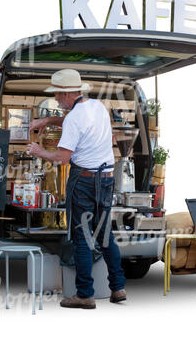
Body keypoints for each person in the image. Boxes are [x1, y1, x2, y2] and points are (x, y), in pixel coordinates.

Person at [28, 69, 126, 309]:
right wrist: (47, 120)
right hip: (106, 178)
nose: (57, 100)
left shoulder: (73, 118)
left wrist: (39, 151)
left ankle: (84, 294)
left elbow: (62, 159)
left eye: (58, 96)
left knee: (81, 238)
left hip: (83, 181)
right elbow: (74, 119)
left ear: (68, 93)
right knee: (105, 235)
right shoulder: (97, 107)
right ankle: (118, 287)